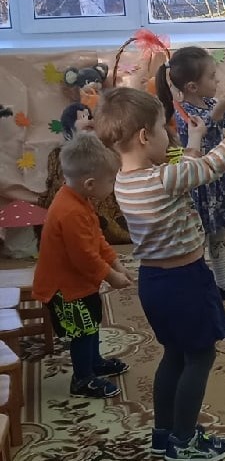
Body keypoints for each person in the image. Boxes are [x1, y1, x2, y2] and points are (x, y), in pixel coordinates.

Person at [94, 87, 225, 461]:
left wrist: (194, 138)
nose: (168, 135)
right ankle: (184, 440)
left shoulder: (125, 181)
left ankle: (164, 434)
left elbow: (185, 174)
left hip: (155, 284)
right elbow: (212, 166)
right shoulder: (162, 179)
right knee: (200, 356)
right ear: (144, 136)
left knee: (174, 355)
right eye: (163, 128)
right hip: (185, 281)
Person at [155, 46, 225, 302]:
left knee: (219, 234)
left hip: (220, 181)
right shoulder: (183, 112)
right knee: (197, 239)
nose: (217, 81)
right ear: (192, 86)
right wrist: (219, 110)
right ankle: (196, 288)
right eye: (212, 77)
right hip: (200, 186)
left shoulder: (211, 103)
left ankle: (223, 283)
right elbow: (205, 126)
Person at [33, 133, 134, 398]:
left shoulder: (80, 201)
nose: (113, 186)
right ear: (90, 184)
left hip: (79, 284)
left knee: (91, 322)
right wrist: (111, 276)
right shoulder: (70, 211)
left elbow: (96, 238)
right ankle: (82, 379)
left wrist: (115, 262)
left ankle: (94, 363)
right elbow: (84, 257)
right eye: (111, 181)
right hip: (65, 289)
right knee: (82, 330)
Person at [40, 102, 131, 245]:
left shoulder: (104, 150)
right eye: (82, 117)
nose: (88, 120)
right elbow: (57, 180)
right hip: (77, 195)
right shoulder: (59, 154)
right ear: (69, 127)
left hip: (104, 196)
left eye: (90, 117)